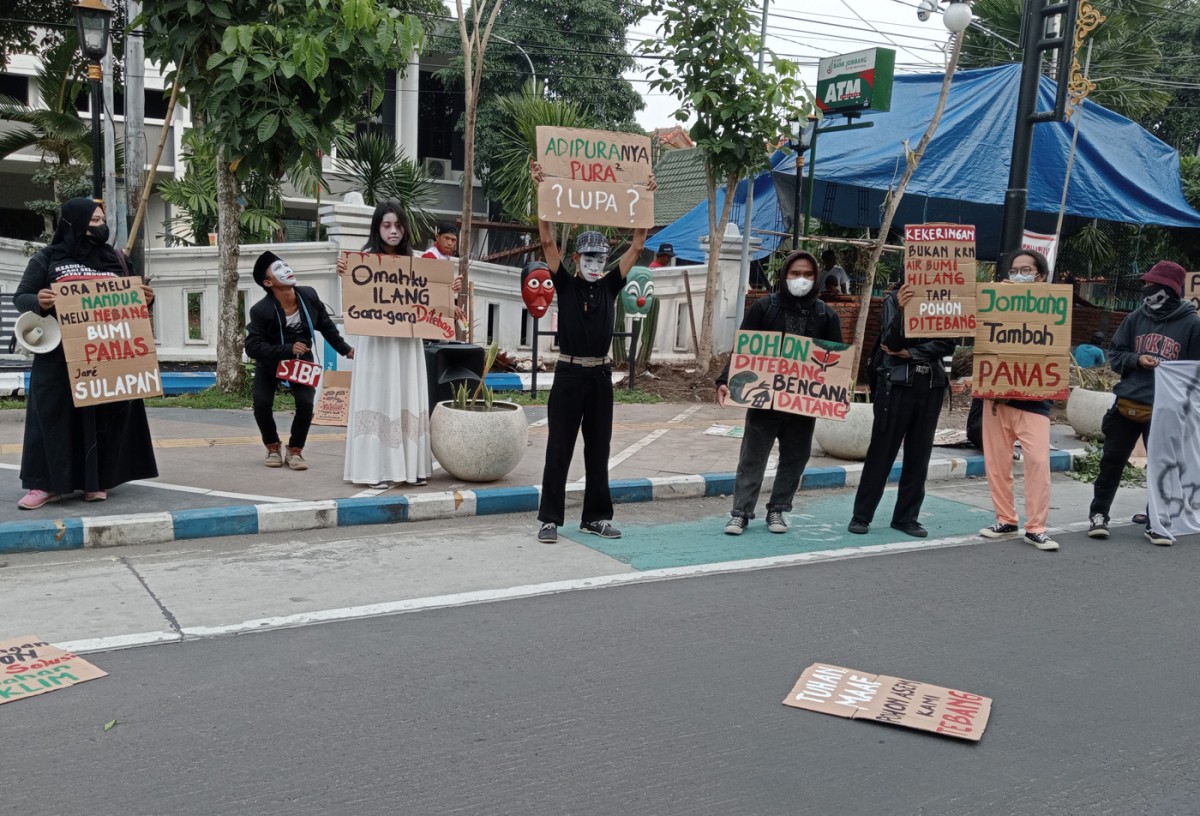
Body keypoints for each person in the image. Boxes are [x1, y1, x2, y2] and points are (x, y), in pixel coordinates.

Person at [530, 162, 652, 543]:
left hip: (600, 377)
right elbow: (548, 242)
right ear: (578, 260)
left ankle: (595, 517)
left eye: (600, 258)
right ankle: (550, 519)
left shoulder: (612, 286)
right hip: (568, 376)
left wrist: (646, 198)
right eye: (589, 258)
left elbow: (637, 245)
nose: (595, 264)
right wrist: (542, 190)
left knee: (598, 449)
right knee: (559, 448)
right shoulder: (564, 284)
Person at [13, 197, 158, 509]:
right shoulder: (47, 258)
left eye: (101, 220)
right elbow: (21, 297)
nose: (100, 226)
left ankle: (97, 481)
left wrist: (145, 298)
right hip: (58, 356)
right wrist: (40, 301)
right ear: (73, 222)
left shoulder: (116, 258)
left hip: (104, 355)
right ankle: (44, 485)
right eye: (93, 221)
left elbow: (132, 302)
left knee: (103, 417)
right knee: (52, 418)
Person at [716, 249, 844, 535]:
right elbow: (743, 350)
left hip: (802, 403)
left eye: (808, 274)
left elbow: (837, 363)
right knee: (752, 457)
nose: (801, 279)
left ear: (816, 278)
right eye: (795, 273)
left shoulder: (826, 315)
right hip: (763, 400)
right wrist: (724, 379)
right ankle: (740, 513)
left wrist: (837, 397)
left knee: (795, 458)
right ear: (785, 275)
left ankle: (778, 510)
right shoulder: (764, 308)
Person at [336, 201, 460, 487]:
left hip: (406, 344)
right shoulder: (362, 260)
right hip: (376, 344)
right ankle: (374, 470)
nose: (393, 231)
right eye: (386, 225)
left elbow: (434, 303)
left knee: (407, 394)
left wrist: (447, 290)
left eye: (398, 225)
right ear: (377, 228)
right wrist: (342, 270)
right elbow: (353, 297)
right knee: (377, 395)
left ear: (405, 229)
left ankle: (410, 468)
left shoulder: (418, 262)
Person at [1086, 261, 1200, 544]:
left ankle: (1156, 521)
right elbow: (1115, 354)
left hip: (1166, 409)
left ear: (1169, 289)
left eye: (1153, 285)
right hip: (1127, 402)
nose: (1146, 290)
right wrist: (1137, 360)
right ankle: (1098, 516)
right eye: (1146, 285)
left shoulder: (1192, 325)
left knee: (1161, 466)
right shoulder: (1135, 318)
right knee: (1111, 461)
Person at [848, 282, 955, 537]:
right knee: (882, 451)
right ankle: (861, 515)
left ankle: (906, 518)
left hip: (932, 385)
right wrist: (904, 310)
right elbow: (891, 342)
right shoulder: (894, 298)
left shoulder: (947, 299)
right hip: (895, 384)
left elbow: (948, 343)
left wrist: (913, 352)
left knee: (920, 454)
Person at [977, 250, 1059, 551]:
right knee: (997, 464)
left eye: (1025, 270)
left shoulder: (1053, 308)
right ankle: (1005, 519)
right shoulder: (997, 303)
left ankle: (1036, 527)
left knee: (1037, 462)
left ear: (1040, 276)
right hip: (997, 399)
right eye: (1013, 271)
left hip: (1033, 400)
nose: (1018, 275)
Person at [245, 250, 354, 471]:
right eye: (278, 269)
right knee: (262, 403)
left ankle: (295, 450)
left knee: (305, 404)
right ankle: (273, 447)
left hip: (302, 362)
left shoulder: (309, 296)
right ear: (268, 282)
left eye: (285, 266)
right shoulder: (260, 310)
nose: (286, 270)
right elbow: (252, 347)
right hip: (271, 361)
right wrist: (286, 349)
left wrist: (346, 350)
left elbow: (326, 326)